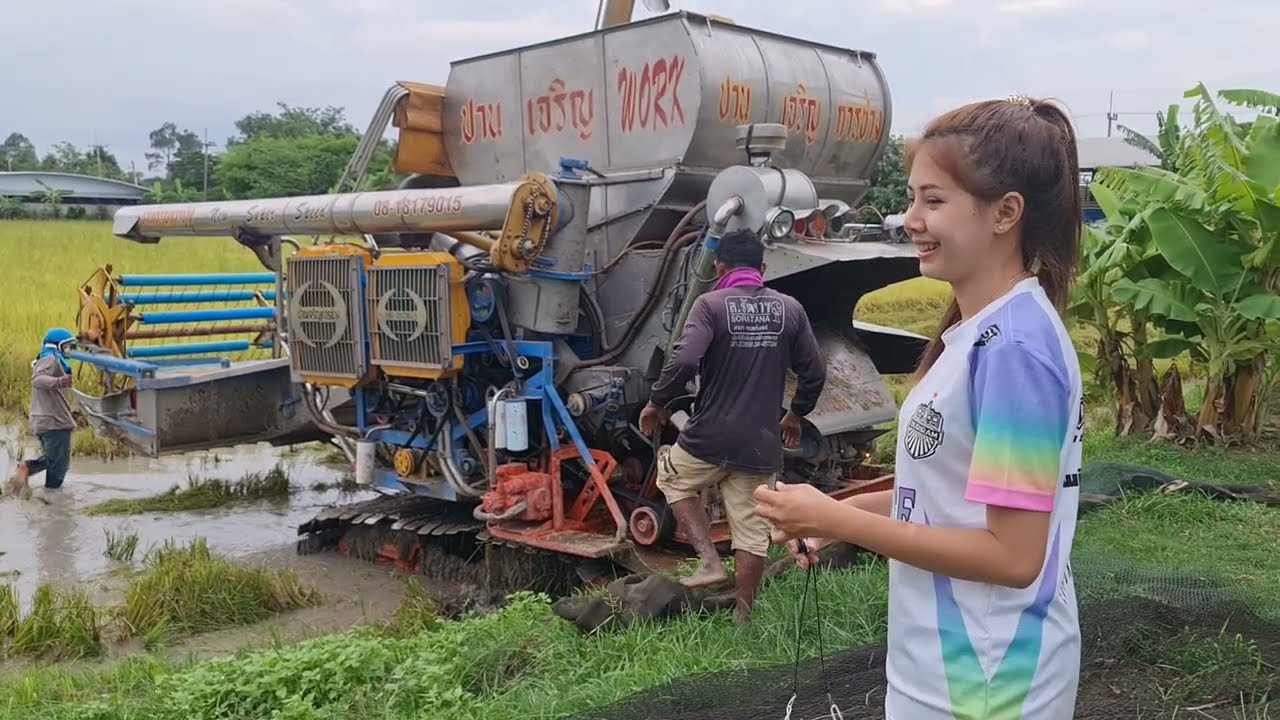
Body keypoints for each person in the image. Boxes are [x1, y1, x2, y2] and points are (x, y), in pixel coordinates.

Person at [754, 95, 1085, 719]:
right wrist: (830, 513)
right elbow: (943, 491)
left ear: (1004, 213)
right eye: (912, 199)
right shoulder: (978, 331)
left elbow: (1014, 558)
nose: (910, 219)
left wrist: (845, 523)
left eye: (933, 201)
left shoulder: (1013, 350)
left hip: (989, 685)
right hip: (942, 674)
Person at [639, 228, 826, 623]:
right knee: (752, 530)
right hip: (761, 444)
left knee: (672, 477)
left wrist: (657, 402)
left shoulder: (709, 305)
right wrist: (794, 414)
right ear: (762, 268)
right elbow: (814, 371)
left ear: (720, 267)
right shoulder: (790, 308)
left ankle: (709, 562)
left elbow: (685, 360)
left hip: (709, 437)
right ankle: (743, 616)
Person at [11, 328, 77, 494]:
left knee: (53, 460)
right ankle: (53, 500)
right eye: (67, 346)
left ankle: (21, 486)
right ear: (57, 346)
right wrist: (60, 381)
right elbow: (38, 380)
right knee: (59, 465)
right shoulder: (50, 359)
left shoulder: (48, 359)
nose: (70, 349)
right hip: (53, 422)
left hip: (45, 420)